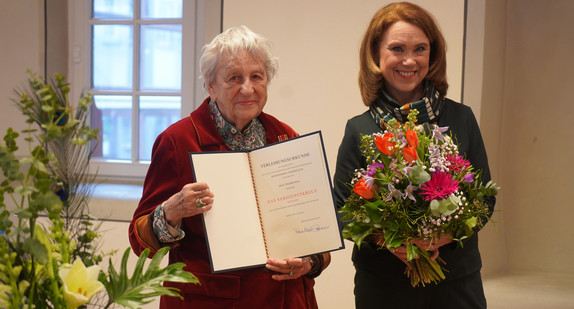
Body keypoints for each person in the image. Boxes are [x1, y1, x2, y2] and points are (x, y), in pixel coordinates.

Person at [129, 25, 330, 308]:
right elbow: (139, 240)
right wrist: (171, 211)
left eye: (256, 76)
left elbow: (318, 235)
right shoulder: (177, 141)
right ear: (211, 85)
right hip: (213, 300)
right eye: (234, 78)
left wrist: (310, 262)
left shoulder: (287, 137)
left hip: (287, 297)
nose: (247, 88)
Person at [333, 2, 496, 309]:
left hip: (456, 282)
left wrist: (442, 236)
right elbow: (341, 210)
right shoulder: (359, 130)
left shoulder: (462, 118)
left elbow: (485, 200)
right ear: (376, 54)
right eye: (397, 48)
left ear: (432, 55)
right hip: (383, 286)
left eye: (420, 48)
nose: (409, 60)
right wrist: (391, 241)